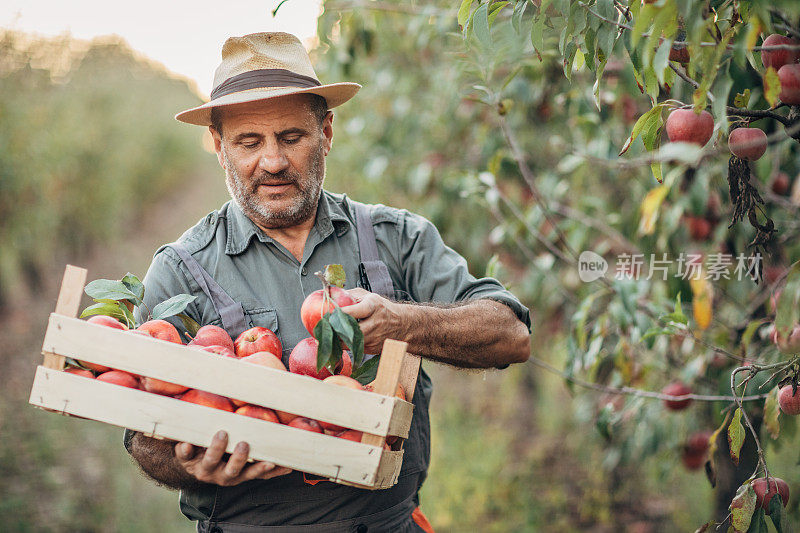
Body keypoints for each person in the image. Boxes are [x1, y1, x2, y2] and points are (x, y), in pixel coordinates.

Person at [126, 32, 531, 532]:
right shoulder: (182, 270)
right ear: (218, 145)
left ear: (327, 133)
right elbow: (141, 439)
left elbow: (511, 334)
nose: (272, 162)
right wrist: (187, 463)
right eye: (249, 142)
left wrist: (401, 322)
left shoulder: (394, 238)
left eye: (292, 137)